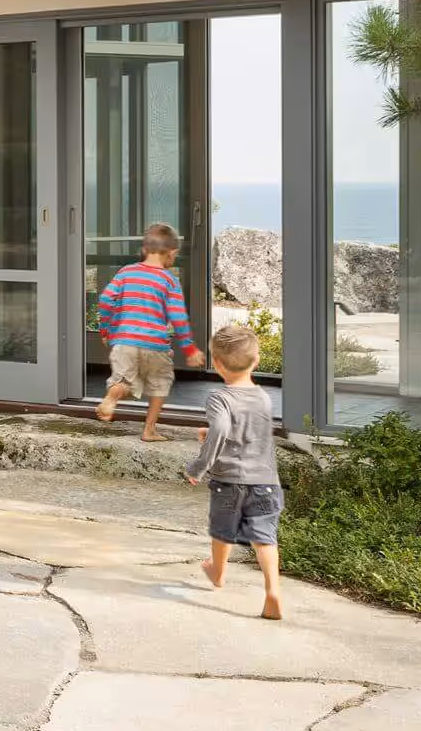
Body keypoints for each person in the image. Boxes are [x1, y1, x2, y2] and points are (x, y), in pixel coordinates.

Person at [188, 321, 284, 621]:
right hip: (266, 482)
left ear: (216, 364)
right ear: (256, 361)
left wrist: (200, 465)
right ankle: (272, 591)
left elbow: (221, 429)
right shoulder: (264, 398)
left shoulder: (219, 398)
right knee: (265, 536)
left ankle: (217, 572)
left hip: (230, 481)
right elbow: (248, 433)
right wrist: (214, 435)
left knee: (222, 531)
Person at [92, 222, 207, 441]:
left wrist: (105, 329)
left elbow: (106, 300)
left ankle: (111, 398)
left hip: (124, 343)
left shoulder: (126, 272)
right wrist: (190, 349)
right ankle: (149, 430)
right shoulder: (170, 281)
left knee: (123, 382)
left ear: (144, 249)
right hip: (155, 346)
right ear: (172, 253)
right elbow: (178, 318)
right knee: (159, 384)